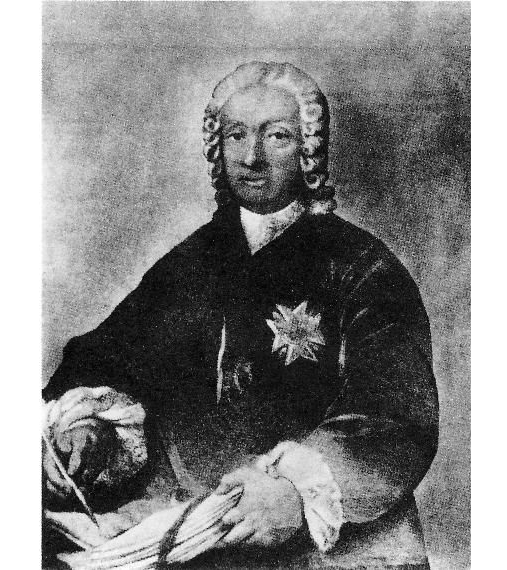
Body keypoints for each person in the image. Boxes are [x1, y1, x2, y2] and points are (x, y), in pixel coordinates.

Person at [42, 61, 439, 569]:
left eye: (276, 136)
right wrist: (89, 427)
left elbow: (396, 417)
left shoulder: (363, 268)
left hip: (326, 541)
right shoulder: (190, 263)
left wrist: (296, 490)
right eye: (236, 136)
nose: (251, 158)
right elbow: (110, 359)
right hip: (191, 525)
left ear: (309, 149)